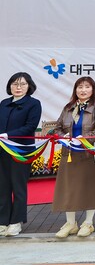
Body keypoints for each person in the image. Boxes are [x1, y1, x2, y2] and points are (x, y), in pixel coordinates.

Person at [52, 77, 95, 239]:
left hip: (87, 152)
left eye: (87, 87)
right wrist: (63, 136)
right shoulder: (69, 107)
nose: (83, 90)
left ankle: (88, 223)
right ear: (75, 89)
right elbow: (57, 127)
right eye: (80, 87)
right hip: (68, 153)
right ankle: (71, 223)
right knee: (68, 188)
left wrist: (84, 138)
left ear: (93, 90)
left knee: (88, 187)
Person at [0, 73, 41, 237]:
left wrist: (8, 135)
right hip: (2, 150)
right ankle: (2, 221)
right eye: (14, 84)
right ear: (9, 86)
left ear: (29, 86)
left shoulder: (33, 104)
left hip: (20, 151)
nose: (18, 87)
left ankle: (16, 222)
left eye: (22, 84)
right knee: (2, 187)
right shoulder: (3, 103)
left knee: (18, 187)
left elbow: (30, 126)